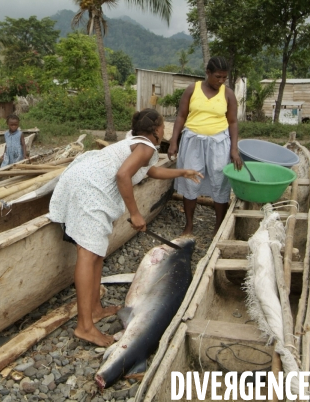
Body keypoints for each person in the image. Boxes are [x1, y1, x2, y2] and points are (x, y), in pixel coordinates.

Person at [48, 108, 203, 347]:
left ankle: (95, 309)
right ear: (156, 130)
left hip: (84, 179)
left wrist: (183, 171)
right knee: (87, 254)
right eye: (163, 125)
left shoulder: (137, 143)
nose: (165, 129)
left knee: (97, 252)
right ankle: (84, 327)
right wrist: (135, 213)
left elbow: (151, 171)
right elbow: (123, 175)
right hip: (90, 188)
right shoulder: (147, 147)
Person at [167, 56, 242, 235]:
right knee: (190, 179)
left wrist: (234, 148)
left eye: (224, 77)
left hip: (219, 143)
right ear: (207, 73)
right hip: (192, 141)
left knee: (219, 180)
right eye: (217, 76)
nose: (221, 81)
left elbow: (232, 122)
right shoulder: (192, 90)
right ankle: (189, 224)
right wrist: (173, 140)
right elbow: (181, 116)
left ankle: (218, 225)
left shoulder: (228, 94)